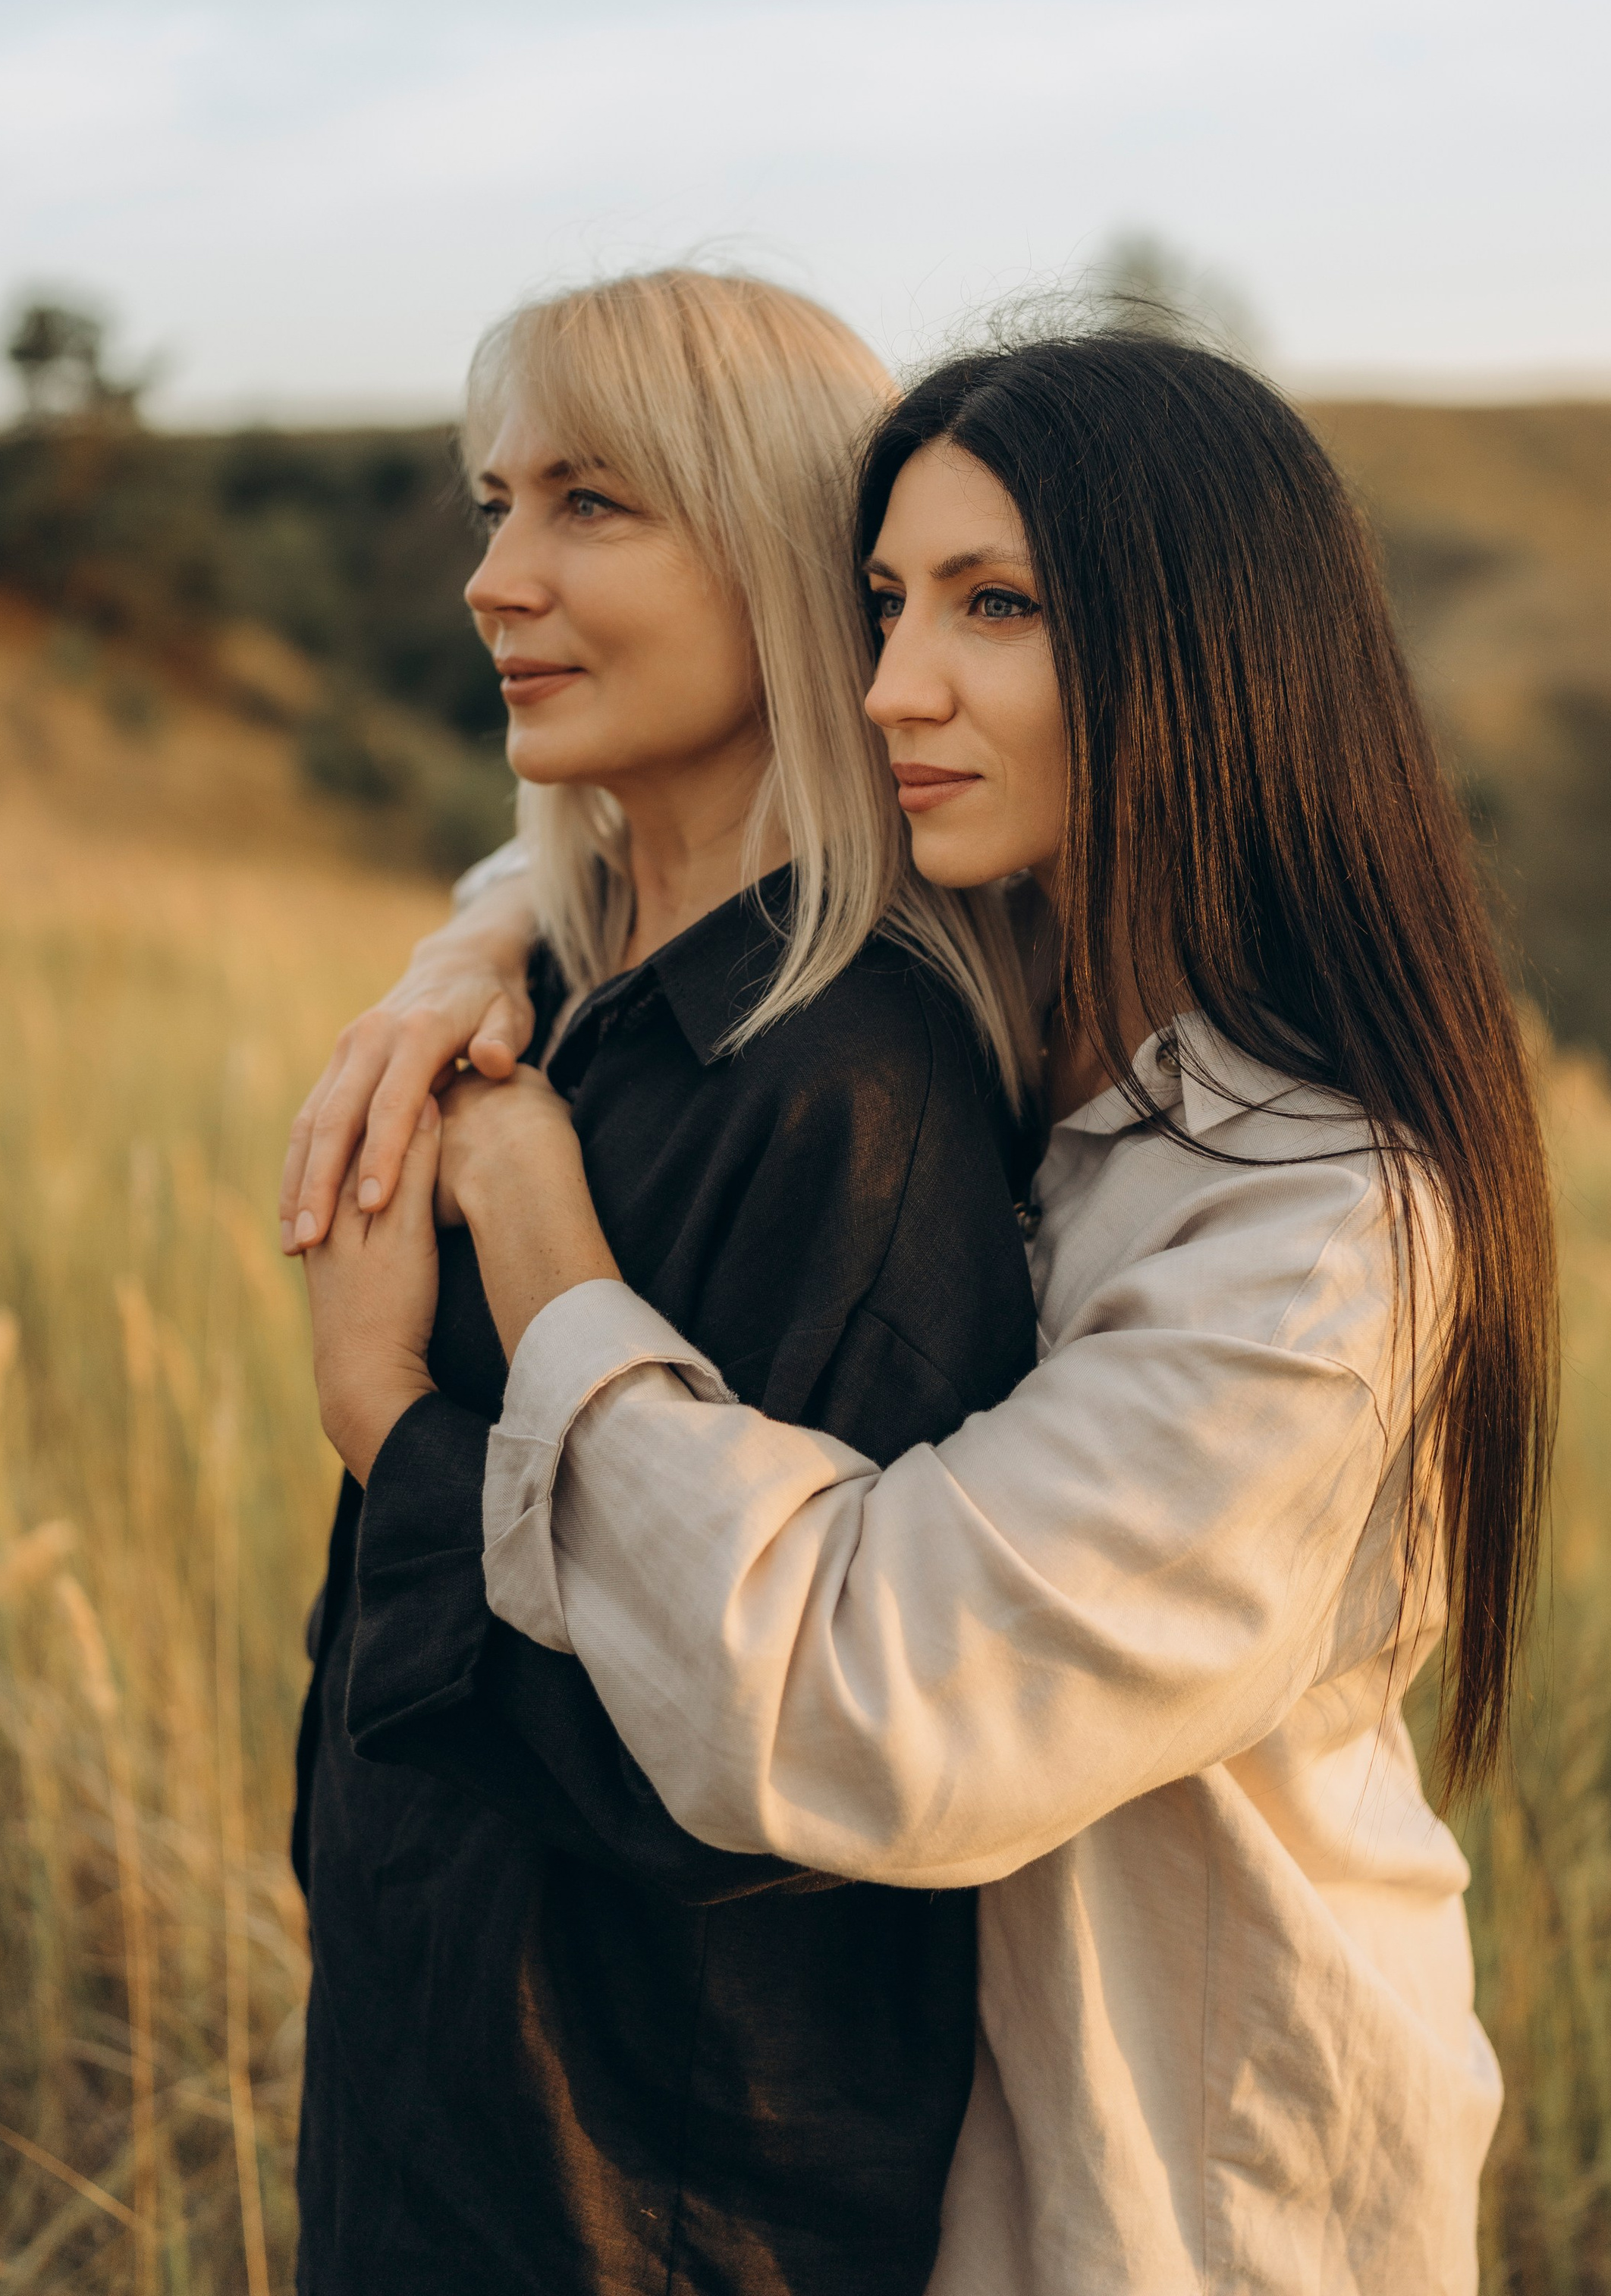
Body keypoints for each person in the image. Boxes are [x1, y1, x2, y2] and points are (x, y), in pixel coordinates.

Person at [308, 322, 1558, 2295]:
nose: (893, 682)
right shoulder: (1016, 957)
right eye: (882, 603)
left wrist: (486, 1296)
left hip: (1190, 2186)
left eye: (998, 606)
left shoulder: (1324, 1237)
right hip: (937, 2158)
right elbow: (613, 844)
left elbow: (859, 1698)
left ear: (1207, 655)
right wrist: (460, 961)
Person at [291, 270, 1043, 2296]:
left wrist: (386, 1418)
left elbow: (749, 1774)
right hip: (436, 2107)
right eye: (492, 504)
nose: (494, 577)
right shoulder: (568, 994)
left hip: (653, 2200)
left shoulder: (851, 1094)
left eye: (589, 503)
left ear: (784, 549)